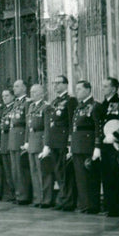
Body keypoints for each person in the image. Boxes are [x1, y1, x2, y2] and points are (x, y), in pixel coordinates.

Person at [70, 81, 101, 214]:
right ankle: (84, 204)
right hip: (78, 145)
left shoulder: (94, 105)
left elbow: (97, 127)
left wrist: (97, 146)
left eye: (80, 89)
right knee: (80, 178)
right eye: (76, 89)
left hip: (88, 146)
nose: (77, 92)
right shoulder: (79, 107)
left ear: (88, 90)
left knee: (90, 177)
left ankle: (92, 205)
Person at [47, 75, 77, 211]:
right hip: (54, 140)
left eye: (58, 83)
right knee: (58, 171)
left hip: (64, 140)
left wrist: (70, 143)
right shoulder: (54, 102)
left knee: (65, 172)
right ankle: (62, 198)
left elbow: (72, 122)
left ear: (66, 84)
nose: (55, 85)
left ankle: (68, 200)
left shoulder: (70, 101)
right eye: (54, 83)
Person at [96, 77, 119, 217]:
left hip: (114, 144)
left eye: (106, 86)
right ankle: (110, 206)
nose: (103, 88)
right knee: (106, 175)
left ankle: (117, 207)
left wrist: (115, 137)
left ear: (113, 88)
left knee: (115, 176)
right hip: (104, 144)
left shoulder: (118, 103)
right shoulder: (103, 104)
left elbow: (118, 123)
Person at [26, 84, 53, 208]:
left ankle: (46, 199)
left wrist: (46, 145)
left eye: (35, 92)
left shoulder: (46, 107)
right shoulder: (31, 106)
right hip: (32, 141)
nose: (32, 94)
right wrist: (26, 142)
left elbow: (48, 128)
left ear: (42, 94)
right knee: (34, 172)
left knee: (44, 172)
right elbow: (28, 126)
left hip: (41, 141)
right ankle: (37, 198)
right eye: (31, 92)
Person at [9, 80, 32, 205]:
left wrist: (26, 141)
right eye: (14, 86)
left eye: (17, 86)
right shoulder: (15, 103)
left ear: (24, 88)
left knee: (21, 169)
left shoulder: (27, 103)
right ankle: (18, 194)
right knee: (14, 169)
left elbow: (28, 123)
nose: (14, 89)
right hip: (13, 137)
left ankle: (24, 195)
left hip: (21, 136)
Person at [0, 89, 16, 202]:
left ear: (13, 96)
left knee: (13, 168)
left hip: (11, 138)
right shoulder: (2, 109)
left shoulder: (15, 107)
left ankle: (15, 192)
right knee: (6, 169)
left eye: (7, 95)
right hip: (3, 140)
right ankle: (10, 192)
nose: (4, 98)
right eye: (3, 96)